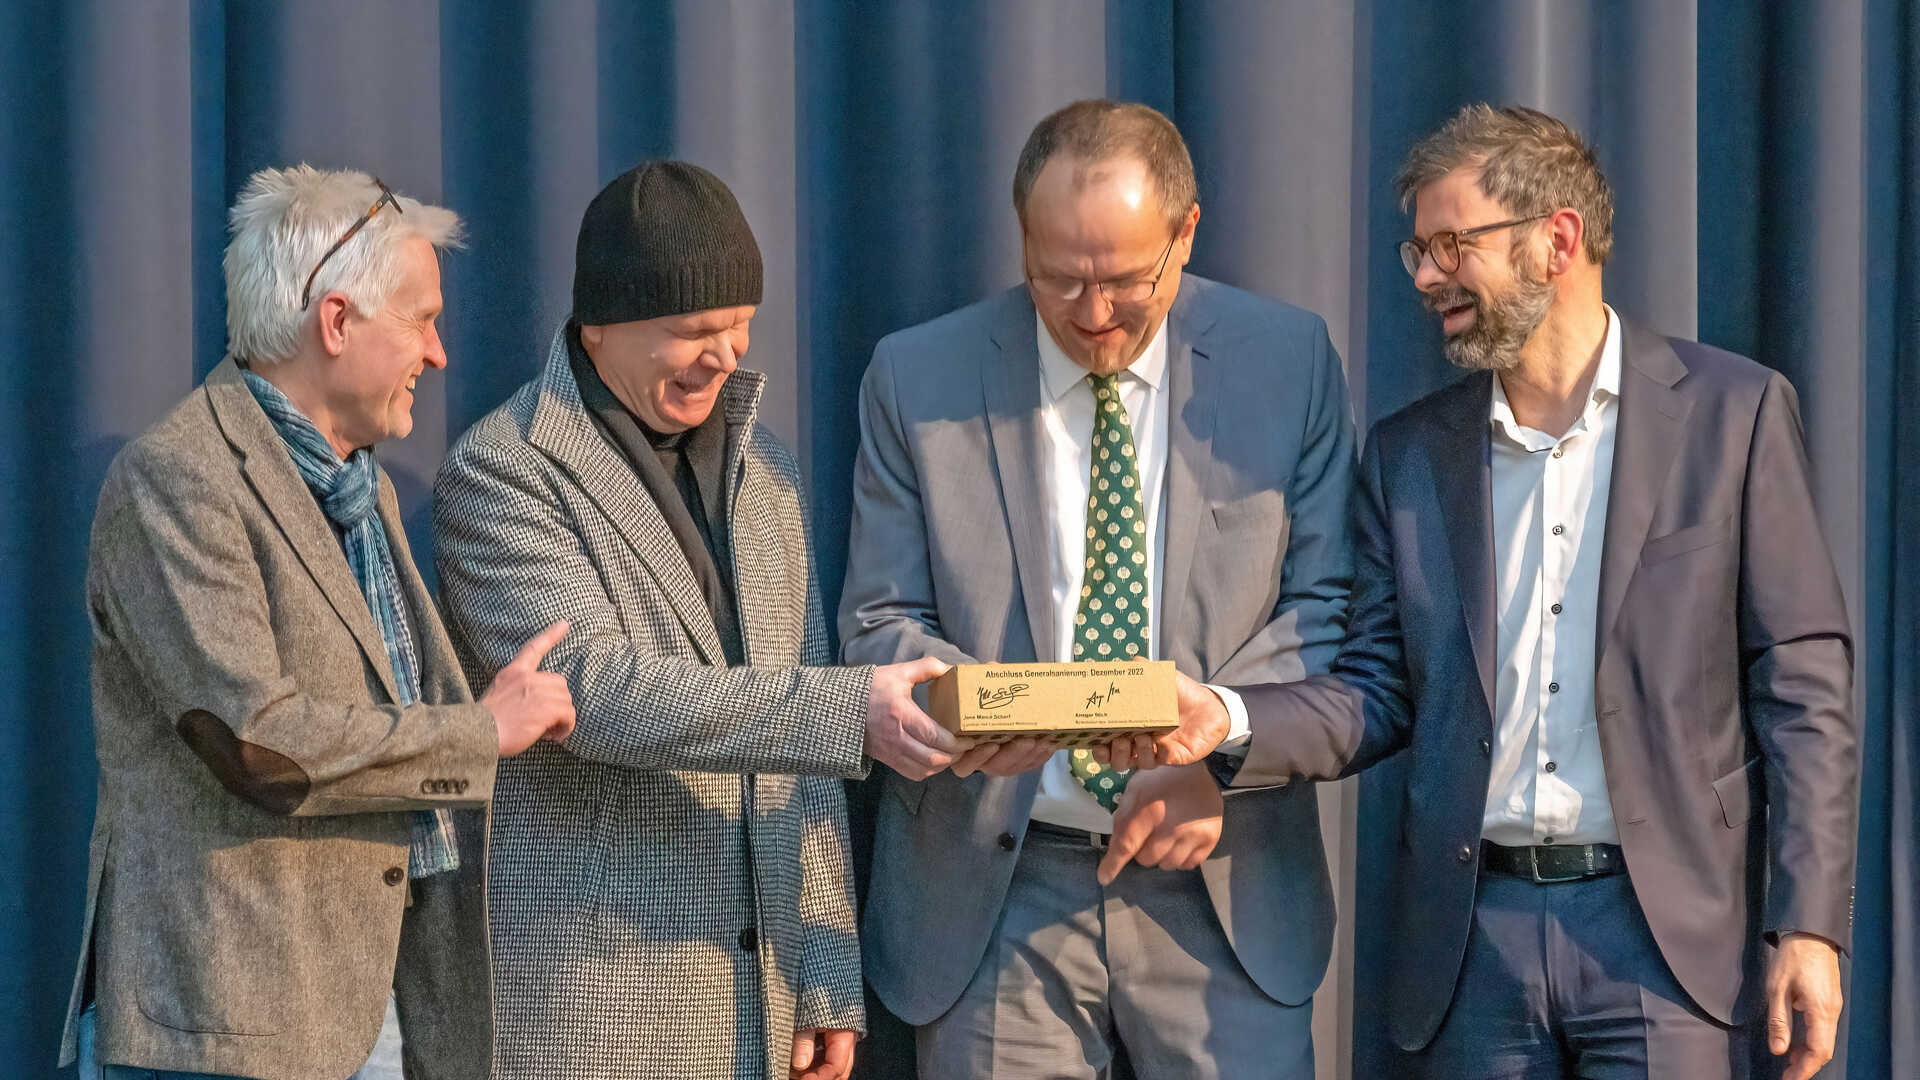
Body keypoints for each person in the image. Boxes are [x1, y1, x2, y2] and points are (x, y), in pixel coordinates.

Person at [1135, 104, 1857, 1080]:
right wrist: (1220, 718)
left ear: (1556, 239)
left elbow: (1805, 693)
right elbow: (1376, 692)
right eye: (1417, 251)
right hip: (1474, 949)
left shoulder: (1734, 416)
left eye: (1451, 245)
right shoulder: (1410, 456)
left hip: (1667, 945)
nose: (1427, 277)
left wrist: (1807, 926)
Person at [838, 99, 1357, 1078]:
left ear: (1186, 231)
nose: (1091, 314)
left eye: (1124, 280)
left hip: (1224, 873)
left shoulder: (1286, 363)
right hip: (997, 887)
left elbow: (1325, 606)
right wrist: (975, 714)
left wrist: (1218, 748)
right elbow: (879, 621)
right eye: (1057, 279)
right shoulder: (917, 376)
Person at [432, 160, 964, 1080]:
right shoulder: (502, 471)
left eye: (738, 326)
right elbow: (589, 693)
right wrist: (848, 713)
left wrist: (828, 974)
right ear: (598, 327)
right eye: (692, 332)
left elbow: (808, 745)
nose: (726, 355)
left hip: (761, 1017)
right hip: (595, 1015)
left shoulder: (770, 470)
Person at [58, 165, 576, 1080]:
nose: (439, 351)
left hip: (363, 1021)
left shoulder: (358, 488)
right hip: (226, 1036)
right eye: (421, 319)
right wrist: (480, 731)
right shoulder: (178, 479)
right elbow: (258, 742)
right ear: (337, 322)